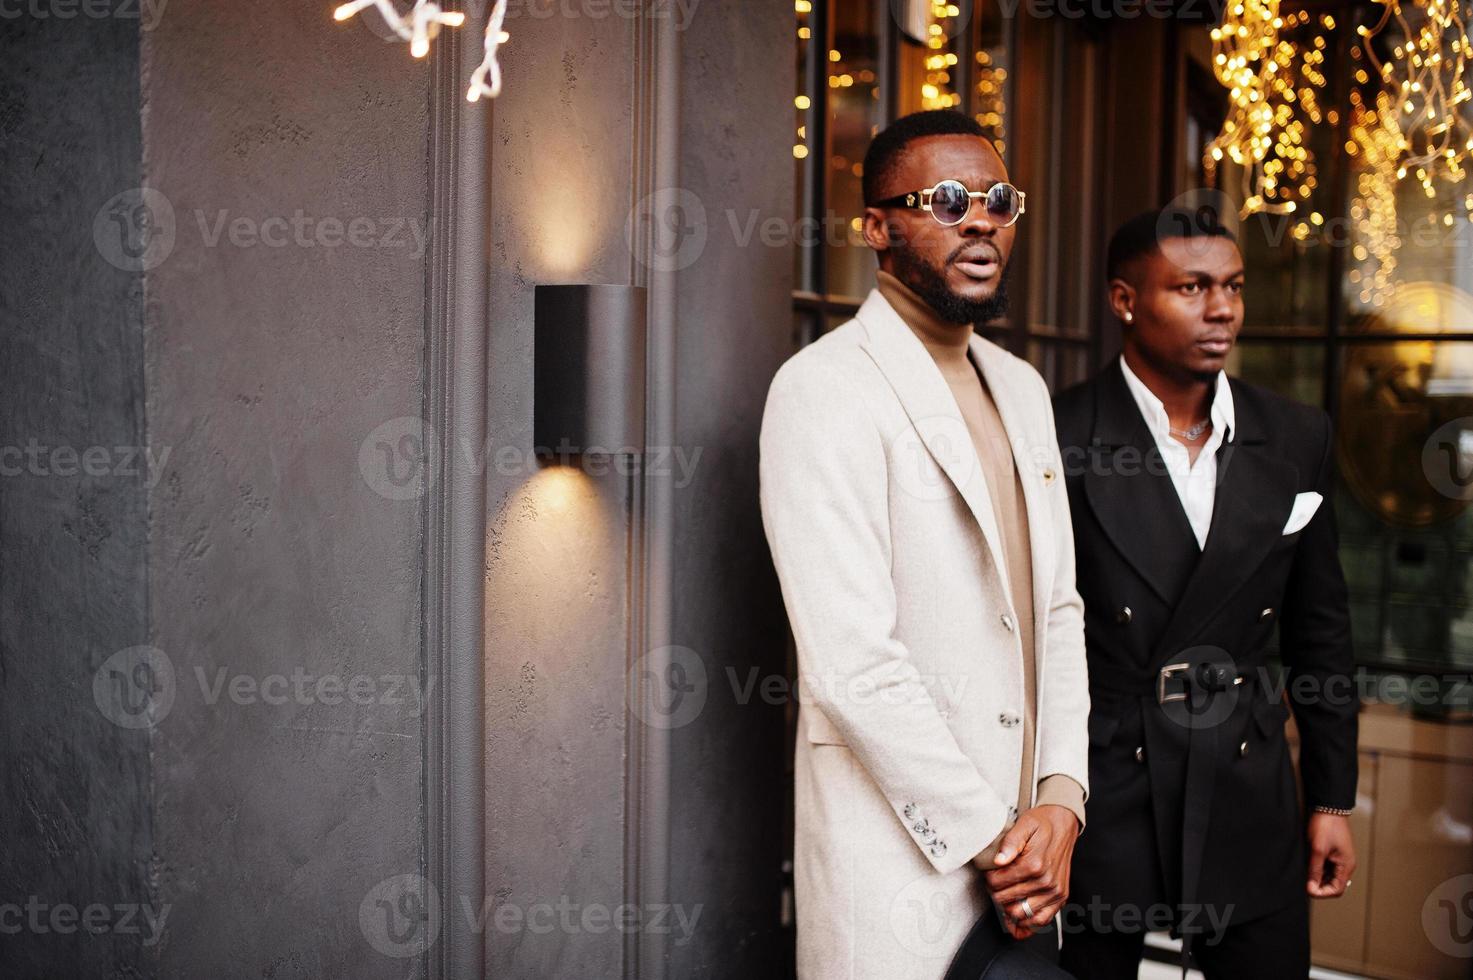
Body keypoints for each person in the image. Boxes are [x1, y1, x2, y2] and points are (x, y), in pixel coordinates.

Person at [759, 109, 1089, 979]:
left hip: (1031, 863)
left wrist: (1061, 800)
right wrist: (996, 843)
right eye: (946, 200)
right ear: (876, 227)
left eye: (997, 200)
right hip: (903, 863)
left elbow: (1056, 608)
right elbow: (852, 661)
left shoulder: (1021, 388)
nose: (979, 218)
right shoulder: (821, 389)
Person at [1051, 209, 1359, 978]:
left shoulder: (1294, 435)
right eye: (1190, 288)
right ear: (1124, 300)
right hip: (1101, 778)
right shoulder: (1055, 432)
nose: (1220, 308)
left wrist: (1329, 797)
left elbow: (1319, 627)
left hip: (1247, 779)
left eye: (1231, 287)